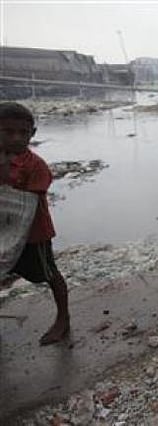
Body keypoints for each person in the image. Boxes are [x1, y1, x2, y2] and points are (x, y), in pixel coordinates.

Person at [0, 102, 70, 344]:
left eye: (23, 133)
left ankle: (63, 320)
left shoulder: (35, 165)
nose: (17, 138)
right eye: (8, 132)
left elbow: (25, 201)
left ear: (33, 134)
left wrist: (6, 171)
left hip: (34, 234)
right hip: (2, 233)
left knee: (49, 274)